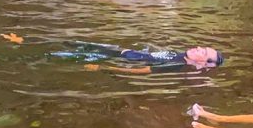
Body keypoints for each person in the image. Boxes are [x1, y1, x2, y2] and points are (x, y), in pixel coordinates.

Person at [54, 43, 224, 73]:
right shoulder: (182, 56)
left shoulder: (175, 65)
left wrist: (104, 68)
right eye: (203, 47)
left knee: (60, 54)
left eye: (204, 53)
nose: (199, 48)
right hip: (119, 52)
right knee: (69, 44)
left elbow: (142, 70)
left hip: (114, 58)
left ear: (204, 63)